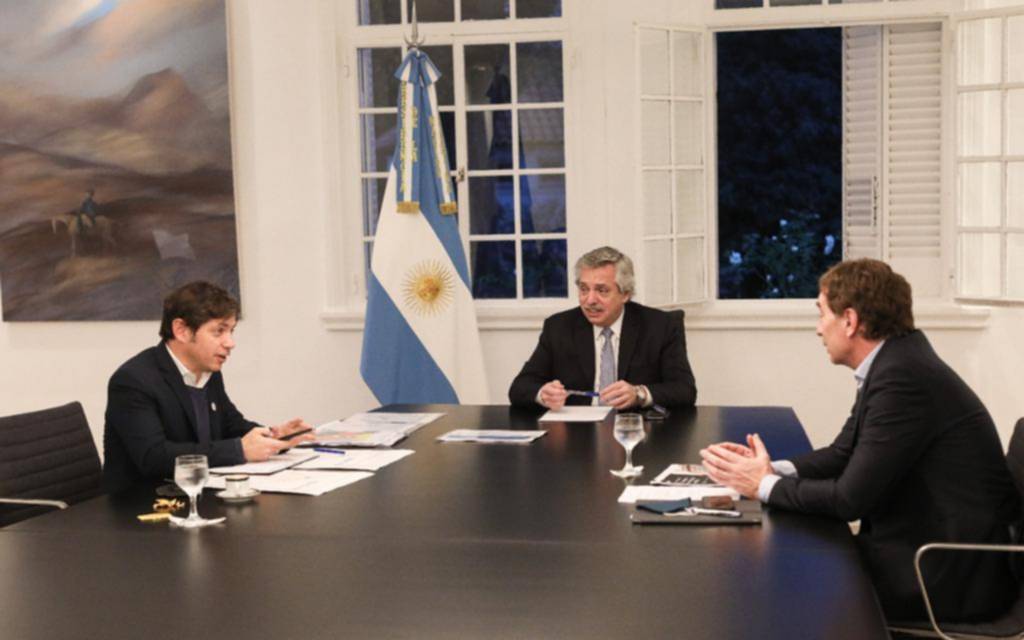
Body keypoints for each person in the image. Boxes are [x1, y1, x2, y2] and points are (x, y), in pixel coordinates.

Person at [700, 258, 1020, 623]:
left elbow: (849, 500)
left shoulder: (903, 377)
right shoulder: (897, 362)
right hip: (937, 554)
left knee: (770, 583)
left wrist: (763, 485)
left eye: (822, 314)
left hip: (944, 574)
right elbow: (843, 453)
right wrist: (769, 470)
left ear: (850, 321)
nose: (818, 329)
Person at [103, 281, 314, 493]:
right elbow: (153, 457)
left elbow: (231, 425)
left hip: (198, 495)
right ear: (182, 330)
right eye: (219, 331)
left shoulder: (208, 371)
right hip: (143, 502)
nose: (230, 343)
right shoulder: (133, 381)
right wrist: (239, 450)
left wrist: (274, 437)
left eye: (231, 331)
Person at [508, 246, 696, 411]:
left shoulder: (660, 326)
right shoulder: (558, 327)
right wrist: (543, 394)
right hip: (577, 431)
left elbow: (684, 390)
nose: (590, 300)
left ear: (625, 294)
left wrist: (638, 394)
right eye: (584, 289)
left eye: (602, 290)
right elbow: (520, 388)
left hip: (635, 429)